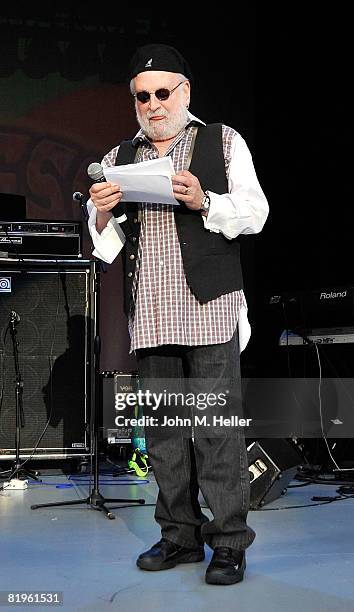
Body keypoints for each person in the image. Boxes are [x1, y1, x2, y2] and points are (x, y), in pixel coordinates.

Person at [87, 43, 269, 585]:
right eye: (142, 96)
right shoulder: (122, 156)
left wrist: (204, 201)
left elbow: (256, 213)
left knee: (215, 431)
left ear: (184, 92)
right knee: (165, 436)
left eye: (163, 93)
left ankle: (230, 543)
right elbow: (108, 245)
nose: (152, 104)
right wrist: (100, 213)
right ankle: (179, 536)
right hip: (153, 316)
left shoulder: (222, 140)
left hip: (210, 312)